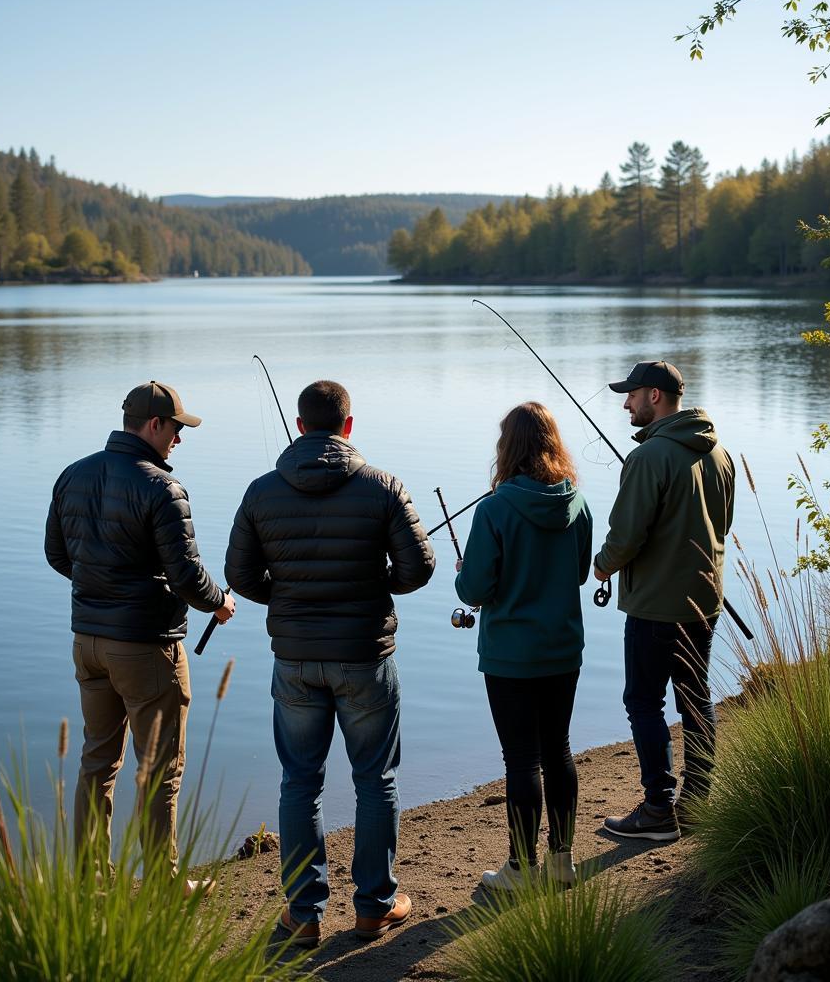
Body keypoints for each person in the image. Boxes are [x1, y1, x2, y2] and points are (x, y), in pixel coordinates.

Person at [225, 380, 434, 947]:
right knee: (376, 781)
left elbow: (241, 578)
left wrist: (292, 598)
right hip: (365, 654)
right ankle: (375, 907)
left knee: (299, 782)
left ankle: (304, 913)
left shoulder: (261, 491)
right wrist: (371, 587)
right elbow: (419, 569)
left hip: (295, 658)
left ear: (299, 426)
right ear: (348, 425)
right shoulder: (382, 486)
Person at [45, 380, 234, 884]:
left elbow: (59, 556)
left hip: (87, 644)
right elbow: (188, 578)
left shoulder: (72, 475)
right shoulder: (162, 488)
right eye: (176, 429)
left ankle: (90, 883)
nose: (179, 439)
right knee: (160, 772)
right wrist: (220, 602)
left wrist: (103, 587)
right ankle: (164, 885)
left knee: (97, 762)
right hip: (147, 650)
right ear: (154, 425)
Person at [593, 361, 734, 841]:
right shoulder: (719, 454)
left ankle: (657, 809)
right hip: (705, 598)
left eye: (630, 394)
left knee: (643, 701)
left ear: (655, 396)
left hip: (656, 604)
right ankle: (697, 802)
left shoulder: (649, 458)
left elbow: (627, 534)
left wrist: (600, 565)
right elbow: (724, 523)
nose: (625, 402)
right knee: (695, 698)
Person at [455, 402, 593, 890]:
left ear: (507, 447)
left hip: (510, 656)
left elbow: (473, 591)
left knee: (521, 759)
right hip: (562, 650)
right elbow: (579, 573)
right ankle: (562, 860)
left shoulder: (492, 509)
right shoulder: (577, 503)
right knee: (559, 750)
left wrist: (465, 576)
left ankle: (520, 868)